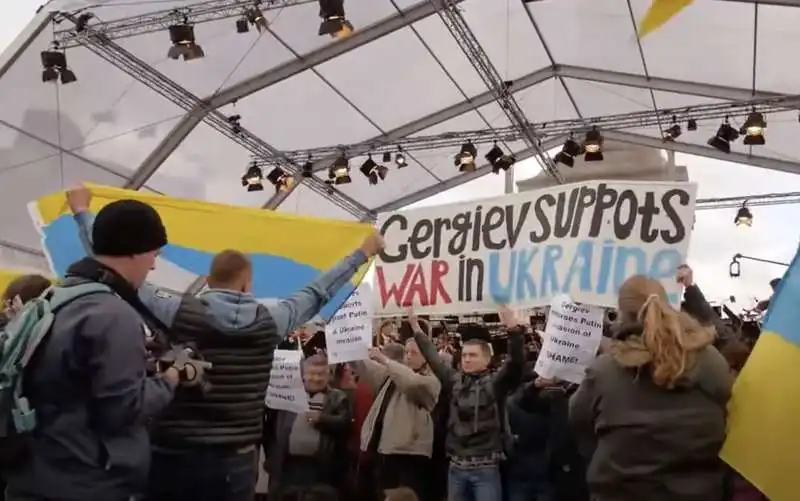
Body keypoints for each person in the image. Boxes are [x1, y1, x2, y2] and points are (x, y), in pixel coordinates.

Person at [65, 185, 385, 501]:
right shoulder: (272, 320)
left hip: (172, 454)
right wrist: (362, 252)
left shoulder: (175, 311)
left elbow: (112, 264)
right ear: (247, 283)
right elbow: (320, 290)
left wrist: (82, 213)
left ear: (207, 281)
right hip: (235, 460)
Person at [4, 198, 202, 501]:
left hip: (33, 472)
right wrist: (170, 378)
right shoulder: (112, 314)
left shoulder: (54, 299)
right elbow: (123, 410)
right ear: (135, 249)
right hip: (85, 481)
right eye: (153, 253)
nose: (153, 264)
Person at [569, 274, 734, 501]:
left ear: (622, 314)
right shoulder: (711, 361)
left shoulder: (604, 371)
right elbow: (731, 412)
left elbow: (579, 424)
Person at [413, 307, 526, 501]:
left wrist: (514, 330)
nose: (466, 359)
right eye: (464, 355)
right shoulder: (454, 380)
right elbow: (433, 358)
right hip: (456, 466)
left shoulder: (495, 384)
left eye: (472, 355)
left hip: (485, 468)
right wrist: (415, 327)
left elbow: (515, 364)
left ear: (487, 359)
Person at [357, 317, 441, 501]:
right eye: (407, 352)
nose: (408, 356)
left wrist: (385, 360)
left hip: (410, 453)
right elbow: (368, 369)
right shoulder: (396, 374)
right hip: (387, 449)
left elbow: (411, 383)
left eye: (414, 353)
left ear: (428, 357)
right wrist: (352, 348)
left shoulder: (431, 381)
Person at [263, 355, 351, 499]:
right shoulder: (286, 394)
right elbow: (269, 428)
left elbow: (346, 425)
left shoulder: (338, 398)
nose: (316, 378)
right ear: (303, 374)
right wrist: (271, 458)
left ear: (329, 375)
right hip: (287, 467)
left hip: (320, 470)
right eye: (312, 373)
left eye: (321, 374)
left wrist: (322, 419)